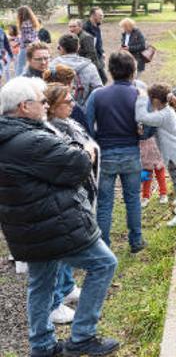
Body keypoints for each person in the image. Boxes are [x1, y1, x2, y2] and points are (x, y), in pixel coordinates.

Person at [0, 76, 120, 357]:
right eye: (41, 102)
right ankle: (83, 336)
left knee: (41, 284)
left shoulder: (9, 136)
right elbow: (77, 164)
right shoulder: (31, 139)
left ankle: (41, 346)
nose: (45, 106)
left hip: (27, 226)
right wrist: (86, 150)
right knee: (104, 263)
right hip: (53, 223)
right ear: (23, 106)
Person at [44, 83, 100, 327]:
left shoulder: (69, 122)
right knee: (62, 251)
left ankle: (66, 288)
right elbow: (72, 161)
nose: (73, 104)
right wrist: (86, 154)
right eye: (67, 101)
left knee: (66, 250)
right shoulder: (53, 130)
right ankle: (56, 300)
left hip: (82, 189)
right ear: (53, 107)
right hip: (68, 196)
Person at [85, 51, 146, 253]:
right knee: (133, 199)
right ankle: (136, 241)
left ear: (110, 71)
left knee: (104, 203)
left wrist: (98, 139)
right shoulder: (138, 94)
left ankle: (104, 245)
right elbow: (147, 124)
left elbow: (88, 124)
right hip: (131, 151)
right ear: (133, 71)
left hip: (106, 153)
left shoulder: (97, 95)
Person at [135, 83, 176, 226]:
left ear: (155, 100)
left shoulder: (163, 115)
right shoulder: (167, 111)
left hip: (175, 155)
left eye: (150, 99)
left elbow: (141, 116)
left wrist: (141, 98)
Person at [50, 33, 103, 105]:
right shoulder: (89, 66)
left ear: (61, 48)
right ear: (78, 47)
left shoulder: (53, 65)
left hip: (58, 108)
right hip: (83, 108)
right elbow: (98, 90)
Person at [139, 132, 168, 207]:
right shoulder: (138, 127)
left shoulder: (154, 126)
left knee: (161, 177)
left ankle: (163, 194)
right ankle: (145, 197)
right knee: (146, 179)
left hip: (157, 155)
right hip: (145, 157)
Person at [82, 7, 107, 83]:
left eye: (102, 15)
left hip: (99, 56)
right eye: (100, 15)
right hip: (91, 58)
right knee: (102, 79)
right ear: (93, 15)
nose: (102, 17)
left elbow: (98, 41)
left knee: (101, 79)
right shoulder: (85, 28)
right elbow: (88, 46)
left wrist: (102, 52)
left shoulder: (97, 26)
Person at [14, 6, 40, 76]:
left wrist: (16, 41)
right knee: (33, 63)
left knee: (20, 65)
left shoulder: (24, 24)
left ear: (21, 14)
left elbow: (26, 38)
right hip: (36, 45)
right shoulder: (33, 22)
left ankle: (18, 79)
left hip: (26, 47)